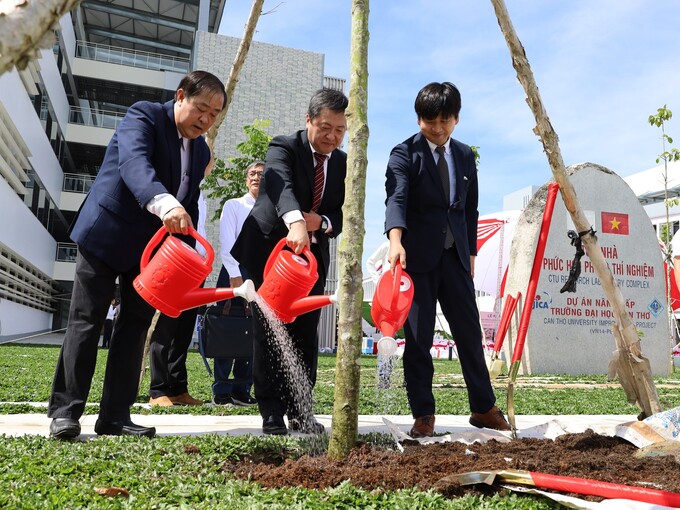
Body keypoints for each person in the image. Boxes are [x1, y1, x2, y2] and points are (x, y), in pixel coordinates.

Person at [47, 70, 227, 440]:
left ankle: (115, 416)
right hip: (107, 234)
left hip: (152, 253)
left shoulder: (201, 150)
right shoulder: (144, 115)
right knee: (87, 320)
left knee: (134, 328)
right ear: (180, 96)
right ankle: (65, 413)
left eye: (215, 114)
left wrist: (188, 257)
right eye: (201, 109)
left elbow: (189, 203)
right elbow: (134, 166)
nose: (206, 120)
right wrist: (164, 204)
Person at [383, 81, 511, 438]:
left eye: (445, 120)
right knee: (419, 339)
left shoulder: (465, 155)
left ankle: (483, 407)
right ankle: (423, 414)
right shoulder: (404, 153)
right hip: (416, 259)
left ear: (456, 119)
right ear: (418, 118)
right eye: (429, 121)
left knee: (470, 335)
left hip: (455, 257)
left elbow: (469, 208)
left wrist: (469, 252)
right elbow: (397, 199)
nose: (437, 129)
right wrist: (396, 241)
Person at [232, 88, 348, 435]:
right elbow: (280, 186)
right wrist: (297, 220)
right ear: (309, 120)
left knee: (305, 335)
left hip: (309, 262)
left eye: (339, 130)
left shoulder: (340, 162)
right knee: (269, 332)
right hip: (270, 253)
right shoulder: (283, 146)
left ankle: (301, 410)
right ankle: (271, 412)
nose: (332, 137)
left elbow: (339, 213)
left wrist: (321, 223)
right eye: (325, 127)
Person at [147, 157, 216, 408]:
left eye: (208, 162)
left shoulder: (201, 194)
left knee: (184, 329)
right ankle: (158, 390)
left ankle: (178, 388)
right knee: (166, 327)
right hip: (175, 264)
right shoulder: (178, 189)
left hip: (196, 267)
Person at [212, 161, 264, 407]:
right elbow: (227, 241)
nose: (256, 177)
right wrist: (235, 274)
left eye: (262, 174)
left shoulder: (271, 208)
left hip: (259, 275)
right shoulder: (233, 205)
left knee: (253, 331)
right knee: (228, 328)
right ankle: (221, 389)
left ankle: (242, 388)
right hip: (233, 271)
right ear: (246, 180)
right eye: (252, 174)